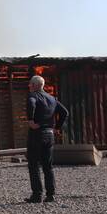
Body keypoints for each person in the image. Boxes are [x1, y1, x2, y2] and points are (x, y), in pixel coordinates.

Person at [25, 75, 68, 203]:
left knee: (33, 164)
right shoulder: (52, 99)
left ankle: (37, 195)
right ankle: (51, 194)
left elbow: (31, 103)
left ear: (34, 85)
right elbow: (65, 112)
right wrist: (57, 127)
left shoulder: (32, 96)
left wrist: (31, 120)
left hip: (36, 133)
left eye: (30, 84)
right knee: (48, 166)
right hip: (49, 134)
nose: (29, 86)